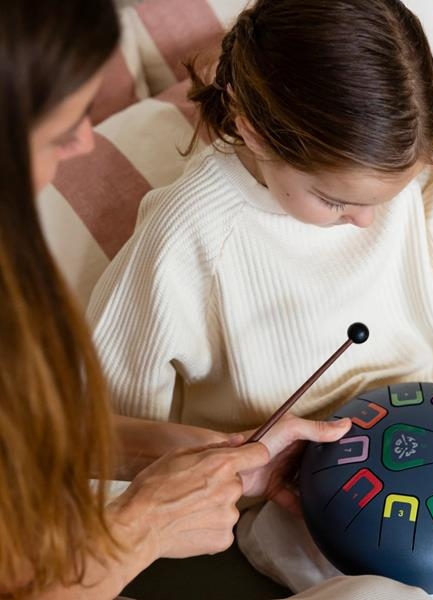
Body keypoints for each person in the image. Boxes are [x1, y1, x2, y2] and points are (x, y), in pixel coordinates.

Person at [87, 0, 433, 598]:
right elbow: (104, 406)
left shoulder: (400, 155)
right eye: (336, 201)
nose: (368, 221)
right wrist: (199, 476)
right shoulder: (189, 233)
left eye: (391, 193)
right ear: (253, 129)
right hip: (306, 488)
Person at [0, 1, 366, 599]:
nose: (84, 144)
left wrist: (198, 452)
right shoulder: (190, 228)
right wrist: (139, 529)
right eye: (58, 128)